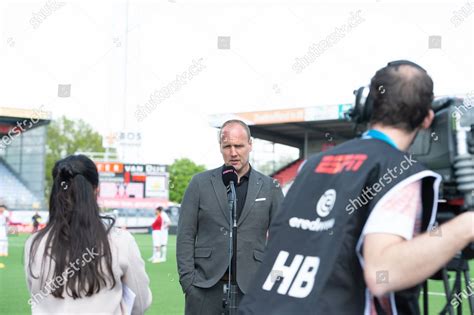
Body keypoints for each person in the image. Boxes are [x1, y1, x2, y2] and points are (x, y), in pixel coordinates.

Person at [238, 61, 474, 314]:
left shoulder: (311, 165)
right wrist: (466, 225)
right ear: (427, 119)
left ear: (370, 107)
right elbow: (383, 272)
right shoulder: (399, 170)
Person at [176, 119, 284, 315]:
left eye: (239, 146)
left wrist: (273, 284)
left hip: (253, 290)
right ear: (220, 147)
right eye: (227, 146)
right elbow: (185, 235)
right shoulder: (199, 184)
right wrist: (188, 283)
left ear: (250, 144)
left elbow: (283, 240)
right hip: (204, 290)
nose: (233, 153)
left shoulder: (271, 187)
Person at [24, 155, 152, 314]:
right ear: (96, 190)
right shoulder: (121, 241)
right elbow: (140, 301)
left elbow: (35, 294)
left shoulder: (34, 243)